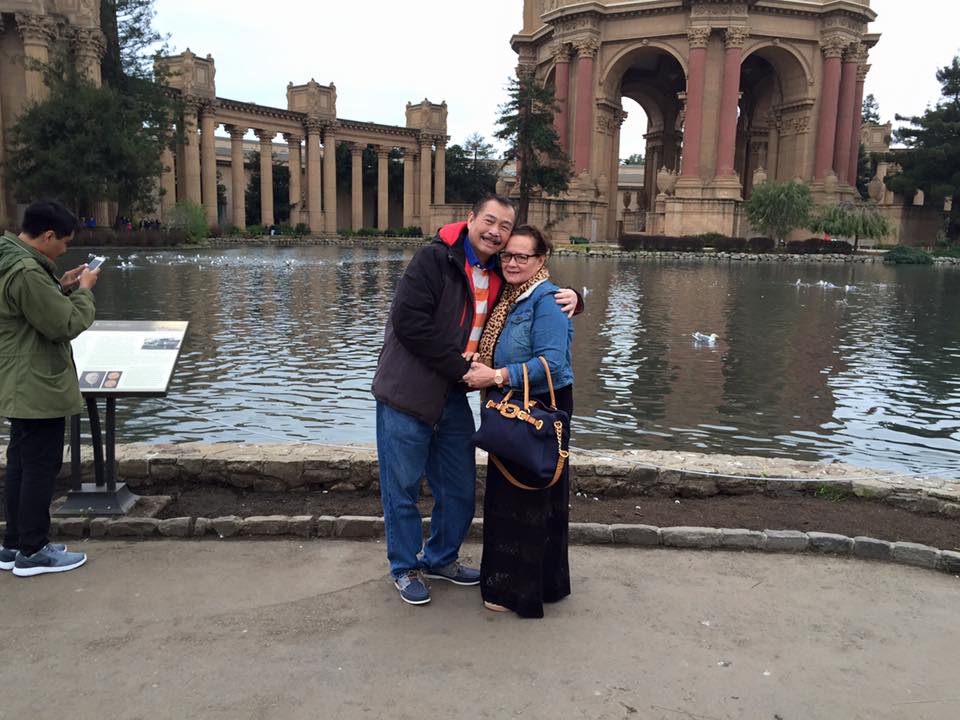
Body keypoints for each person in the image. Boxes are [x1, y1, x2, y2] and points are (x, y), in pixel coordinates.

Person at [371, 194, 580, 605]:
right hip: (408, 391)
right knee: (402, 487)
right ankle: (405, 566)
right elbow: (409, 322)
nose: (496, 232)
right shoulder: (434, 260)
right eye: (490, 220)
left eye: (505, 226)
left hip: (452, 394)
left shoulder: (500, 269)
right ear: (470, 219)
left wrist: (573, 296)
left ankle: (441, 558)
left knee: (460, 487)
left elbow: (536, 291)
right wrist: (462, 368)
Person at [462, 225, 574, 618]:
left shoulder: (546, 300)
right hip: (515, 405)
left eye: (522, 256)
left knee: (525, 498)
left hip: (535, 408)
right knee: (521, 497)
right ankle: (541, 584)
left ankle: (517, 591)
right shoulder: (511, 295)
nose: (511, 262)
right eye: (507, 255)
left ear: (541, 260)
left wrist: (495, 376)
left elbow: (553, 363)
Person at [0, 200, 100, 577]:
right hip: (37, 383)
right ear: (47, 236)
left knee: (21, 465)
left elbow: (26, 312)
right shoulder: (27, 271)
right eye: (64, 242)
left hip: (18, 379)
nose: (64, 250)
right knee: (40, 468)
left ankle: (14, 544)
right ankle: (34, 551)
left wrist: (61, 286)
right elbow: (63, 325)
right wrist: (85, 291)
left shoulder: (10, 260)